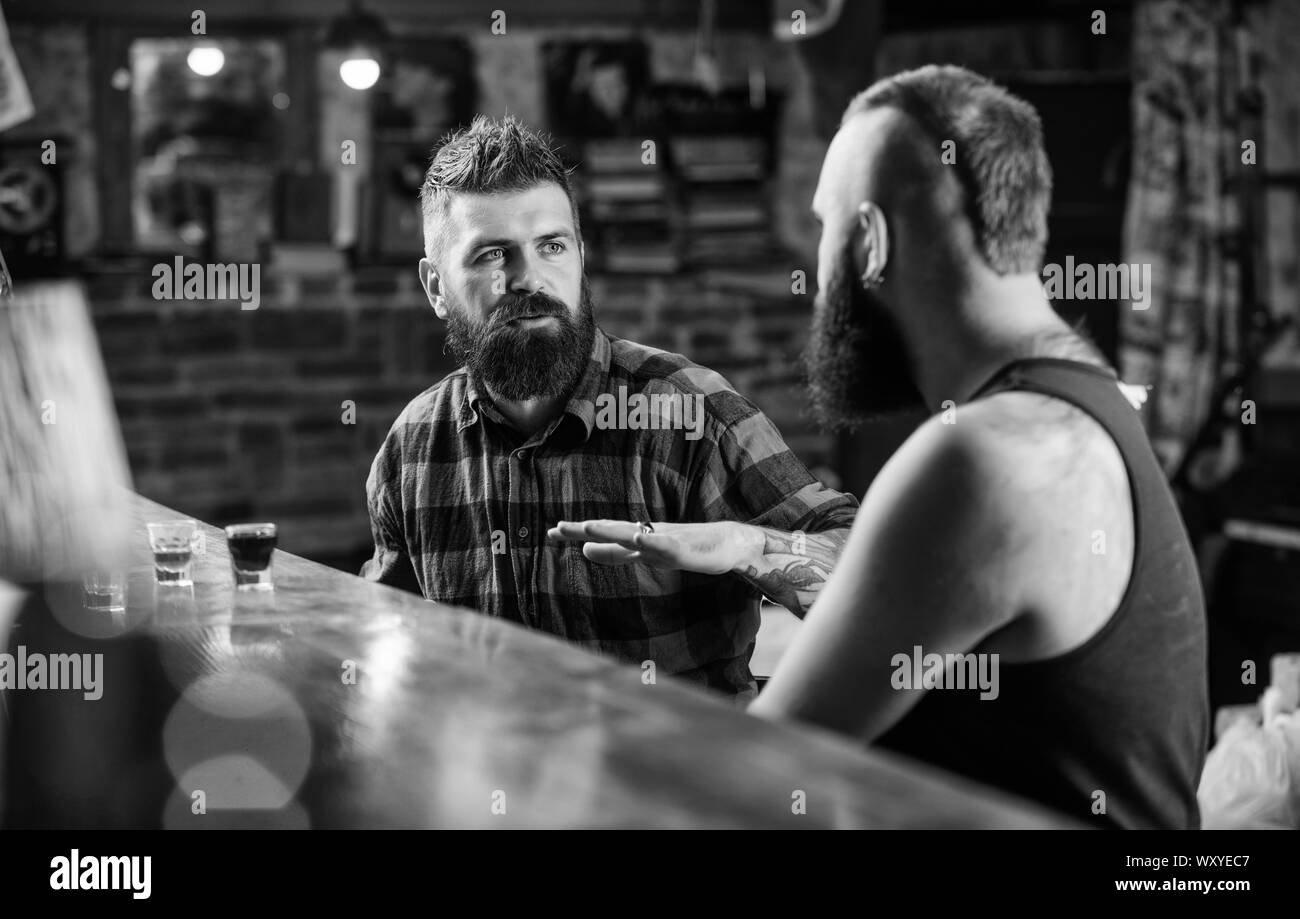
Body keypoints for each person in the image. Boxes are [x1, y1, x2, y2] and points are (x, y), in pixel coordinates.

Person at [568, 65, 1209, 829]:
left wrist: (562, 733)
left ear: (869, 243)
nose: (817, 268)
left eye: (823, 228)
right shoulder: (1078, 403)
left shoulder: (979, 459)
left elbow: (757, 770)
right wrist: (749, 544)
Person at [361, 115, 857, 701]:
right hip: (491, 779)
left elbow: (860, 567)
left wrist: (749, 548)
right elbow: (388, 644)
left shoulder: (690, 412)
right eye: (493, 255)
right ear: (436, 287)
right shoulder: (413, 447)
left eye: (551, 246)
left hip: (670, 781)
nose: (528, 278)